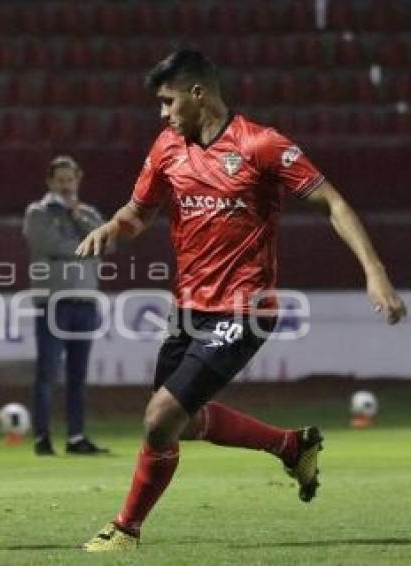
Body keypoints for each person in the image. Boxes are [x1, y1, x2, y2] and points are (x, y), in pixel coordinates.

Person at [76, 49, 407, 552]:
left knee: (159, 417)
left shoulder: (261, 145)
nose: (162, 114)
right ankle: (290, 446)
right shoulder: (167, 147)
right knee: (178, 425)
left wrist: (375, 272)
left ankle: (126, 529)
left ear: (198, 93)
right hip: (188, 308)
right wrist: (112, 228)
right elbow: (138, 213)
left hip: (244, 309)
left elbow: (332, 202)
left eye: (167, 102)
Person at [22, 156, 110, 456]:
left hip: (85, 302)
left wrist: (79, 218)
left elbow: (108, 244)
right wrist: (87, 243)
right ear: (50, 182)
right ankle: (42, 438)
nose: (65, 185)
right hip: (53, 302)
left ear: (78, 180)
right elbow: (51, 246)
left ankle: (76, 437)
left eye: (69, 180)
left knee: (78, 374)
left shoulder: (87, 214)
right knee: (48, 373)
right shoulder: (38, 213)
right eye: (60, 180)